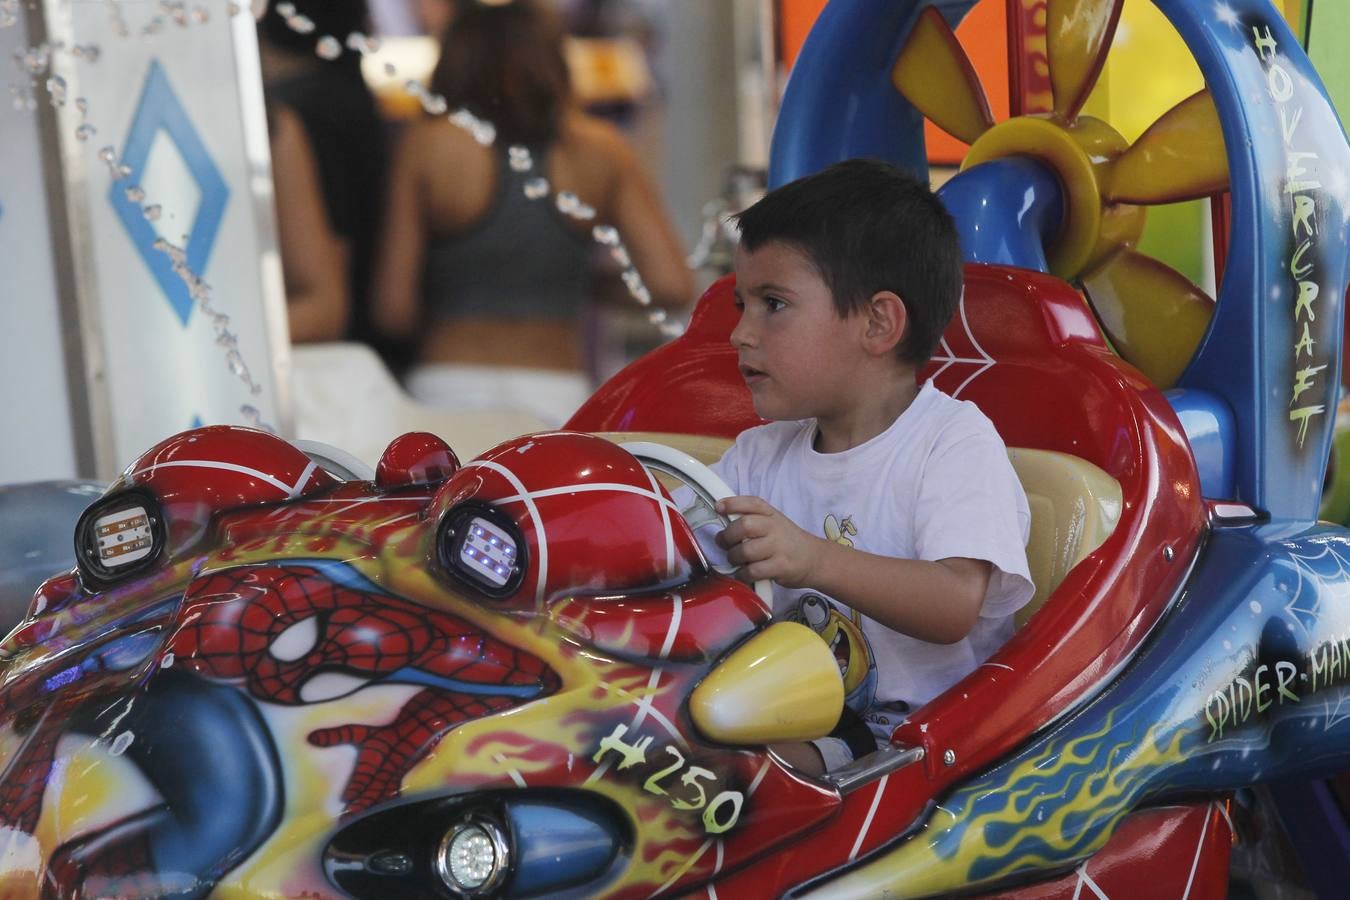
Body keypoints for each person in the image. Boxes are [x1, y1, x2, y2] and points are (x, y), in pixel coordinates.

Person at [705, 159, 1034, 775]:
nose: (741, 335)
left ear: (878, 323)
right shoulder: (757, 456)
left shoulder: (952, 442)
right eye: (740, 305)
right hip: (800, 718)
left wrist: (811, 558)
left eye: (773, 304)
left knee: (734, 773)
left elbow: (954, 604)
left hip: (927, 746)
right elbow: (680, 546)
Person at [371, 0, 692, 426]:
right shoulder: (600, 148)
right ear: (553, 60)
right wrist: (579, 283)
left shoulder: (427, 146)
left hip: (446, 383)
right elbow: (671, 286)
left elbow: (394, 309)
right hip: (556, 387)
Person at [258, 0, 390, 352]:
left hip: (322, 347)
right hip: (365, 337)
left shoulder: (283, 119)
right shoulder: (350, 94)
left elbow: (326, 297)